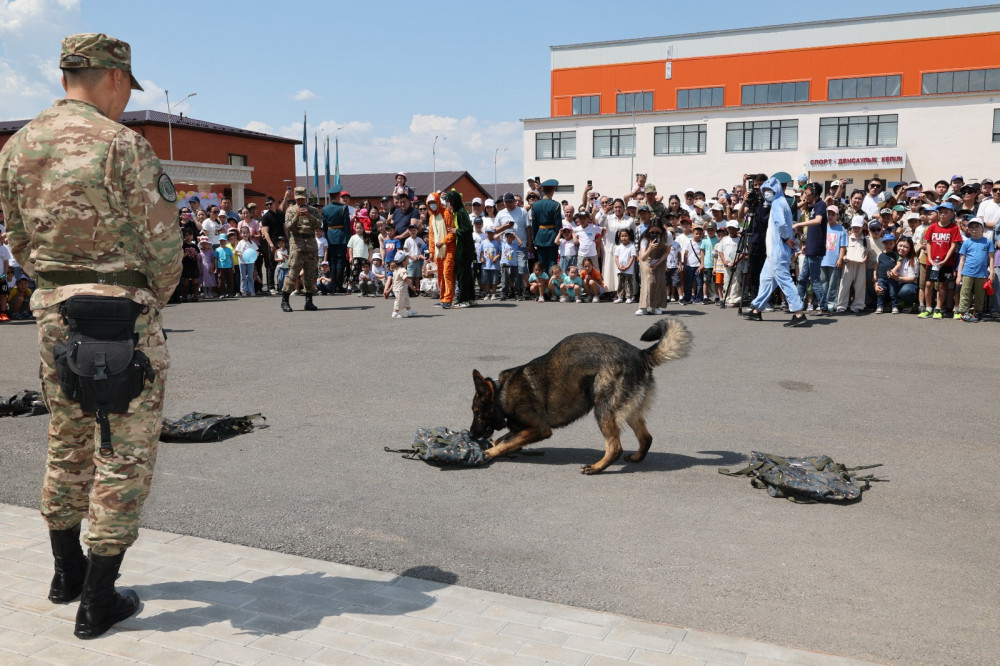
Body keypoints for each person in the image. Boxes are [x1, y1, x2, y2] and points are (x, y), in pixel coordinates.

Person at [0, 32, 182, 639]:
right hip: (123, 314)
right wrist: (147, 296)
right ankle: (98, 600)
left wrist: (54, 287)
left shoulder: (19, 145)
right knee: (123, 453)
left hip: (55, 312)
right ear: (114, 77)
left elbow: (19, 240)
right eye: (127, 85)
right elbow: (164, 246)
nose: (127, 97)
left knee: (68, 437)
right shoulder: (124, 146)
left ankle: (65, 573)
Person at [743, 177, 808, 326]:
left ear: (777, 190)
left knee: (785, 280)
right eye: (764, 190)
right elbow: (787, 223)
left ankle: (799, 314)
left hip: (778, 250)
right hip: (774, 251)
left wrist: (785, 238)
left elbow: (781, 223)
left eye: (769, 190)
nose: (766, 193)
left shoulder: (778, 203)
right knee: (766, 280)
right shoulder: (781, 203)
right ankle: (757, 310)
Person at [918, 203, 963, 319]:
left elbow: (953, 246)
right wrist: (930, 258)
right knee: (928, 284)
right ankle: (928, 308)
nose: (943, 215)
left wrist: (945, 259)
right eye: (941, 212)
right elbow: (927, 243)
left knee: (942, 285)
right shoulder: (932, 227)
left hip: (947, 263)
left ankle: (938, 308)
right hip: (932, 262)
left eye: (946, 212)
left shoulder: (954, 228)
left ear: (952, 214)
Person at [281, 186, 321, 312]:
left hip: (310, 243)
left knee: (310, 274)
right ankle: (285, 301)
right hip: (296, 244)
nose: (300, 202)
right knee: (293, 273)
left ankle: (309, 302)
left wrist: (309, 216)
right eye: (298, 199)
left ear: (306, 198)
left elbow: (318, 225)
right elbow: (289, 227)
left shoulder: (313, 210)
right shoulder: (290, 210)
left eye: (302, 199)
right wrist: (297, 215)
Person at [793, 183, 828, 315]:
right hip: (810, 248)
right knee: (802, 278)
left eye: (806, 192)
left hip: (816, 249)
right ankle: (796, 305)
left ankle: (824, 307)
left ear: (814, 192)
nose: (804, 194)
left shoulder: (820, 205)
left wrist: (799, 224)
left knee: (814, 279)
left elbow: (818, 221)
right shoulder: (814, 206)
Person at [955, 218, 993, 321]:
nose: (974, 230)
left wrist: (992, 273)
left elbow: (991, 258)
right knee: (965, 292)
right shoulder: (967, 243)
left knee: (980, 294)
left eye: (977, 227)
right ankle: (963, 313)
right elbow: (961, 260)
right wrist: (959, 275)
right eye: (971, 227)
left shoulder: (988, 242)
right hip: (967, 272)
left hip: (982, 273)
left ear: (982, 228)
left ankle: (977, 312)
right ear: (968, 230)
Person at [494, 192, 531, 296]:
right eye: (506, 202)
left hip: (520, 245)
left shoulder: (522, 211)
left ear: (514, 202)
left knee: (522, 267)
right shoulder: (501, 213)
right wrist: (505, 227)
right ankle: (513, 289)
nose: (508, 204)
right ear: (504, 202)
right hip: (507, 247)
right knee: (508, 270)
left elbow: (528, 228)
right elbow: (495, 230)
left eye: (510, 202)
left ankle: (524, 288)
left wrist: (530, 244)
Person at [445, 189, 476, 308]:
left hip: (464, 248)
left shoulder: (462, 212)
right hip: (463, 247)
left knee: (462, 275)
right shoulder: (457, 212)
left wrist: (456, 230)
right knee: (467, 275)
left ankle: (463, 300)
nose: (448, 204)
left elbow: (468, 229)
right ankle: (471, 298)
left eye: (449, 201)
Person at [426, 192, 455, 309]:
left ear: (438, 202)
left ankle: (448, 298)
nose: (432, 205)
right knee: (440, 275)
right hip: (438, 251)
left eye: (434, 202)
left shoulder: (447, 214)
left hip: (449, 249)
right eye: (430, 203)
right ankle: (443, 298)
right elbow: (431, 236)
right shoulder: (432, 217)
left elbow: (451, 233)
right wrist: (431, 252)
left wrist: (443, 242)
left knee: (447, 273)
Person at [635, 222, 669, 315]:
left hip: (660, 258)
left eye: (657, 232)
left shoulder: (667, 235)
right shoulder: (644, 238)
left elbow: (667, 252)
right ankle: (643, 307)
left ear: (662, 231)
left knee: (658, 281)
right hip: (646, 258)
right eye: (652, 232)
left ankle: (655, 306)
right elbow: (643, 257)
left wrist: (658, 263)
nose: (654, 234)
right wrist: (649, 248)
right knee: (648, 280)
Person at [322, 186, 351, 294]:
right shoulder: (344, 208)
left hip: (330, 236)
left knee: (332, 261)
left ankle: (332, 285)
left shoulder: (325, 209)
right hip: (341, 236)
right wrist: (348, 239)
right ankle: (339, 285)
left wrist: (325, 237)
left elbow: (324, 226)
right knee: (340, 261)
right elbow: (347, 226)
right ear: (338, 196)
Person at [836, 217, 868, 313]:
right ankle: (841, 305)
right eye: (854, 227)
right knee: (844, 285)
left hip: (860, 264)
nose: (856, 229)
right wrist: (844, 257)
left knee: (860, 285)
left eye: (858, 227)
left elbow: (868, 252)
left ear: (863, 227)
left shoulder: (866, 240)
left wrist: (866, 258)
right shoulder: (847, 238)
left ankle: (858, 305)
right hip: (848, 264)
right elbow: (843, 250)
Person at [820, 206, 848, 314]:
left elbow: (843, 246)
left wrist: (840, 259)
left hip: (834, 260)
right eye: (828, 214)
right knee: (823, 283)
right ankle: (822, 304)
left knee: (833, 284)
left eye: (833, 214)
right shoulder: (822, 227)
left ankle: (831, 303)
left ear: (837, 216)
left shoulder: (841, 229)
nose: (830, 216)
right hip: (822, 259)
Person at [531, 179, 561, 279]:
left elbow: (534, 225)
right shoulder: (556, 205)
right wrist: (558, 238)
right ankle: (551, 287)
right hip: (552, 236)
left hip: (540, 237)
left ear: (542, 190)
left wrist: (535, 239)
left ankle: (543, 289)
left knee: (542, 264)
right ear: (553, 190)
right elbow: (558, 225)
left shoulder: (535, 205)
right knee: (552, 264)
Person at [873, 233, 899, 314]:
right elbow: (876, 266)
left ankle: (894, 306)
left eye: (891, 243)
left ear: (894, 243)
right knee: (881, 292)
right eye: (886, 243)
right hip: (881, 277)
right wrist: (874, 275)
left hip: (891, 277)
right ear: (883, 244)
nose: (889, 245)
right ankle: (879, 306)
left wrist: (894, 270)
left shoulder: (896, 254)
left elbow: (899, 263)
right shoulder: (880, 254)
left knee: (893, 292)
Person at [718, 219, 742, 307]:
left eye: (733, 228)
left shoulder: (740, 239)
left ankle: (734, 300)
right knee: (727, 281)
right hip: (726, 264)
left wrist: (735, 261)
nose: (731, 230)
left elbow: (743, 252)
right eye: (730, 228)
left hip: (737, 264)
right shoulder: (724, 239)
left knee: (735, 282)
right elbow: (720, 251)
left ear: (737, 229)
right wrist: (724, 261)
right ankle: (726, 298)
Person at [613, 228, 637, 304]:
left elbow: (632, 257)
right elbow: (616, 257)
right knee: (620, 282)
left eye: (625, 236)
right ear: (619, 237)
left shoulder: (631, 246)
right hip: (620, 268)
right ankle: (620, 296)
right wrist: (618, 266)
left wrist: (628, 266)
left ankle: (629, 296)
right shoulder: (619, 247)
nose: (624, 237)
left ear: (629, 236)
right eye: (622, 236)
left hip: (628, 269)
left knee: (628, 282)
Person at [390, 251, 416, 319]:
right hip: (400, 289)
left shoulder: (396, 269)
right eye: (407, 259)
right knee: (399, 301)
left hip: (401, 289)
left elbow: (394, 280)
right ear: (403, 262)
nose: (408, 260)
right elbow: (406, 279)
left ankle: (410, 311)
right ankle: (395, 313)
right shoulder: (402, 270)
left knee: (406, 300)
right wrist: (412, 286)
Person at [234, 226, 258, 297]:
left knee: (250, 276)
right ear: (241, 234)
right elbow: (236, 251)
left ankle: (251, 290)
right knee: (243, 276)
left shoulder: (252, 243)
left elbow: (256, 251)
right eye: (243, 233)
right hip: (242, 262)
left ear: (249, 233)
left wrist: (257, 253)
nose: (245, 234)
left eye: (246, 233)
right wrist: (239, 254)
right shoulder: (240, 243)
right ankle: (244, 290)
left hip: (250, 262)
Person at [480, 228, 501, 300]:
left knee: (494, 281)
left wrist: (496, 257)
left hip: (494, 266)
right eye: (488, 233)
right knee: (486, 281)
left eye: (491, 233)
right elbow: (482, 252)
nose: (489, 235)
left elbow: (500, 252)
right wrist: (482, 258)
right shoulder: (483, 242)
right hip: (486, 265)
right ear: (486, 233)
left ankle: (494, 293)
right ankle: (487, 293)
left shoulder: (496, 242)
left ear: (493, 234)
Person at [500, 230, 520, 301]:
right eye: (507, 237)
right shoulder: (503, 244)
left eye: (511, 237)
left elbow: (521, 243)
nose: (509, 238)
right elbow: (495, 237)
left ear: (513, 238)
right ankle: (504, 294)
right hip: (505, 264)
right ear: (505, 237)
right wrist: (503, 232)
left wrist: (515, 235)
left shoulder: (514, 245)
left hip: (513, 265)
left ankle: (516, 294)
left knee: (515, 280)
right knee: (505, 281)